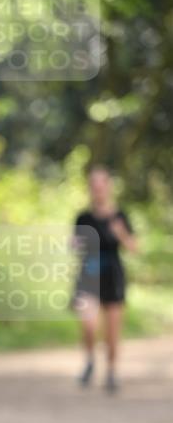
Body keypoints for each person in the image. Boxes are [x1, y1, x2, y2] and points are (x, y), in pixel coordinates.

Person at [70, 165, 138, 393]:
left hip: (113, 275)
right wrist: (75, 244)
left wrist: (121, 233)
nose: (98, 189)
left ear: (108, 187)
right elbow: (75, 245)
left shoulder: (120, 216)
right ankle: (90, 360)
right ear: (90, 189)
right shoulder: (83, 217)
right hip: (89, 274)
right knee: (89, 325)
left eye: (101, 185)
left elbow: (134, 247)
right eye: (94, 185)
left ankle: (111, 371)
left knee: (112, 331)